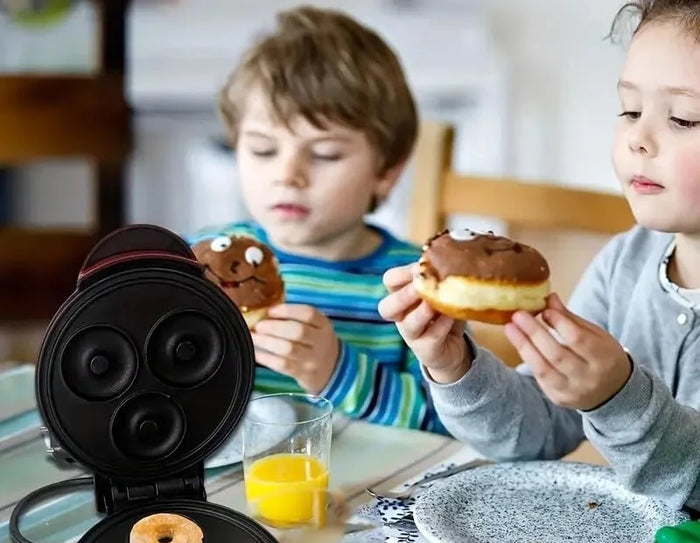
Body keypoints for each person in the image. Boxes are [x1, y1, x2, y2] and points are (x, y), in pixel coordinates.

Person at [378, 0, 700, 511]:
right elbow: (537, 432)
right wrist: (455, 366)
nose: (638, 138)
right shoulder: (624, 264)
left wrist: (619, 398)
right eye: (631, 111)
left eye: (684, 118)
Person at [187, 6, 444, 432]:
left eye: (325, 154)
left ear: (386, 172)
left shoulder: (413, 289)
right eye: (263, 150)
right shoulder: (196, 265)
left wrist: (337, 371)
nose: (288, 175)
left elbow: (447, 424)